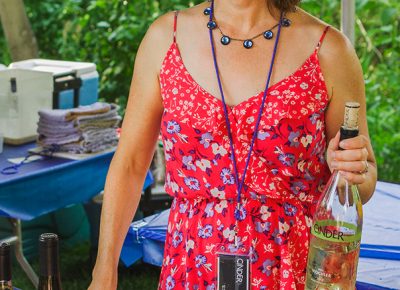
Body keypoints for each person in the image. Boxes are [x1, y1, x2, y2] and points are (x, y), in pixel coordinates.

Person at [88, 0, 377, 289]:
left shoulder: (329, 50)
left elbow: (363, 181)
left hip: (293, 269)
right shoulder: (166, 38)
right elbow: (130, 165)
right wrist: (104, 271)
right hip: (191, 265)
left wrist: (347, 169)